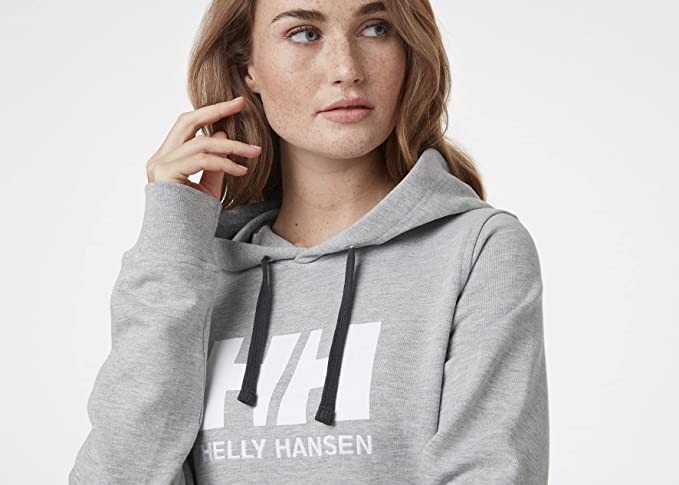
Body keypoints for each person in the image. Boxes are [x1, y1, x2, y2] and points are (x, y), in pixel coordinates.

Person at [69, 0, 549, 483]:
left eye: (376, 28)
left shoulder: (477, 251)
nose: (346, 69)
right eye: (304, 33)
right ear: (247, 65)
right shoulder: (194, 272)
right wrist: (172, 236)